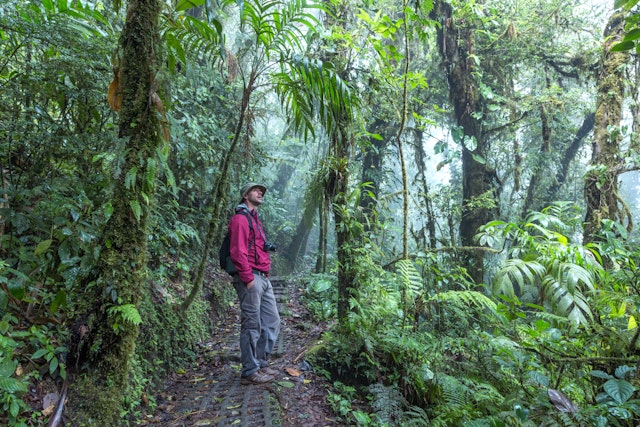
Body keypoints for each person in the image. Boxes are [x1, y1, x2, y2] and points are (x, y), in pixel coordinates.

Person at [228, 182, 280, 385]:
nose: (261, 193)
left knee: (271, 320)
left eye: (262, 192)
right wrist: (248, 279)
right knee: (252, 324)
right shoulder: (241, 219)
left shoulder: (255, 221)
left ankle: (259, 362)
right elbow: (237, 252)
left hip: (263, 277)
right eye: (256, 190)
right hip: (250, 277)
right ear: (245, 195)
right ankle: (249, 371)